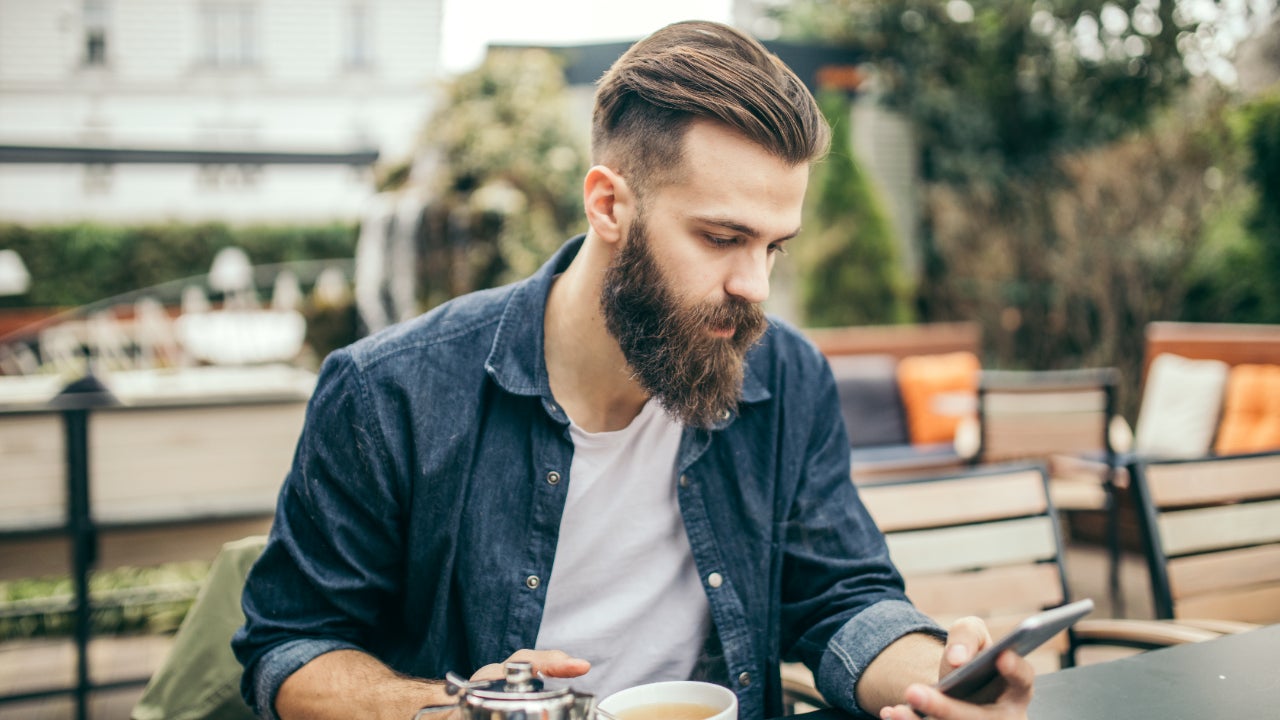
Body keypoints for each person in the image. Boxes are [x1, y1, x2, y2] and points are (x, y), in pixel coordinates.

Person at [232, 20, 1034, 720]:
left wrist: (938, 678)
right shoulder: (388, 394)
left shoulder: (786, 377)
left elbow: (841, 599)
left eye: (773, 247)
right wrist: (448, 711)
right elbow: (291, 646)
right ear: (609, 205)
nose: (756, 288)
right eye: (722, 239)